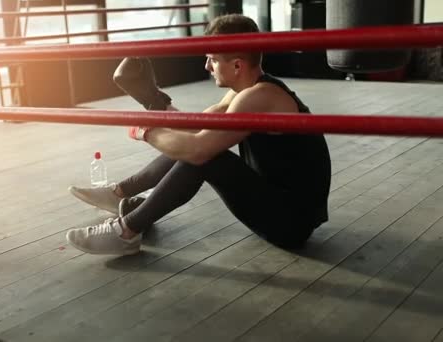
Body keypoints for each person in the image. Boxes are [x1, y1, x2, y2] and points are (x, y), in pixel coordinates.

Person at [65, 14, 331, 256]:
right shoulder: (248, 91)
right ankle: (120, 193)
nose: (207, 66)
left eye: (213, 59)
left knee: (206, 156)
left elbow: (197, 149)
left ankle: (125, 232)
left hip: (290, 224)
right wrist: (153, 101)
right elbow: (197, 127)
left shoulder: (261, 97)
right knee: (203, 148)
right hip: (278, 206)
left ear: (237, 65)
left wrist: (146, 131)